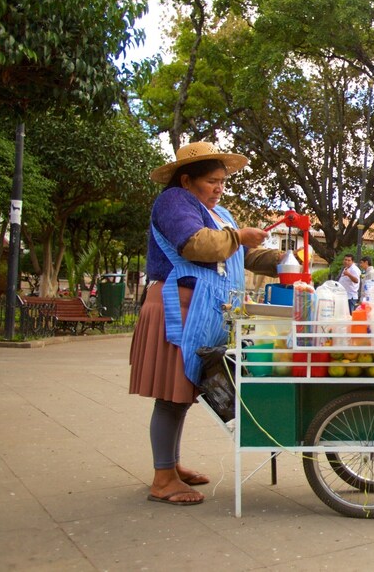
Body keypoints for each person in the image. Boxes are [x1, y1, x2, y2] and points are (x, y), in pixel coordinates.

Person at [130, 142, 282, 506]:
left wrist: (286, 259)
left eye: (222, 182)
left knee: (182, 394)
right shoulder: (173, 203)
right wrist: (239, 236)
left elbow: (246, 255)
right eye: (212, 181)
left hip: (200, 308)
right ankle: (162, 479)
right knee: (171, 394)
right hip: (176, 307)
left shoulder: (220, 215)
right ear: (187, 180)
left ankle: (170, 465)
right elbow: (196, 245)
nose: (219, 189)